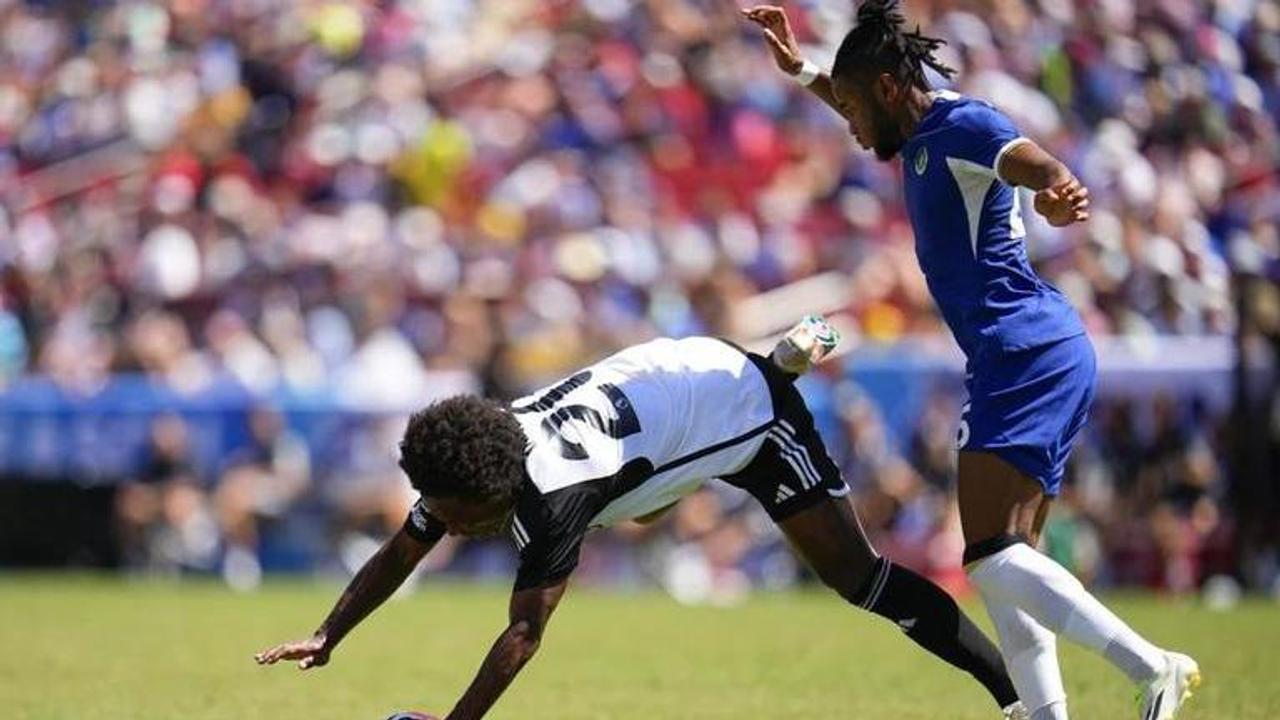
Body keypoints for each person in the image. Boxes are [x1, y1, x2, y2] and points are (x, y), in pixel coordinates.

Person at [743, 4, 1200, 720]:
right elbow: (852, 96)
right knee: (1008, 565)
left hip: (1026, 350)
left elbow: (1028, 159)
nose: (852, 127)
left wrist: (1055, 189)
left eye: (858, 108)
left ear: (892, 90)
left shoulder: (962, 125)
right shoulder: (917, 129)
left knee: (990, 556)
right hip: (1022, 353)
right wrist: (801, 68)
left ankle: (1153, 667)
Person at [257, 318, 1029, 719]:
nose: (447, 527)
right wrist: (331, 632)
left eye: (456, 519)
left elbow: (522, 637)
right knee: (641, 507)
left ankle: (1014, 695)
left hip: (748, 417)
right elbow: (403, 547)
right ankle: (782, 354)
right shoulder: (476, 455)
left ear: (490, 492)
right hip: (673, 385)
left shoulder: (552, 496)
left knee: (858, 580)